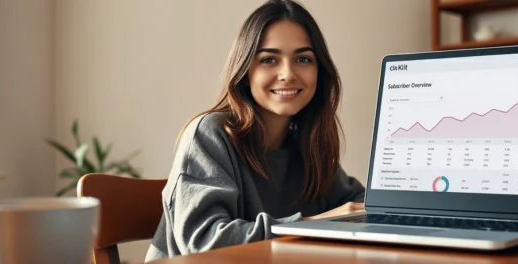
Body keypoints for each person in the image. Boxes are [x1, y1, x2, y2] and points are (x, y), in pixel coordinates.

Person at [145, 0, 366, 261]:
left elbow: (358, 202)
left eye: (303, 59)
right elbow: (206, 241)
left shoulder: (303, 144)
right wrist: (310, 225)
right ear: (245, 70)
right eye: (269, 59)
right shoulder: (210, 134)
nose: (287, 74)